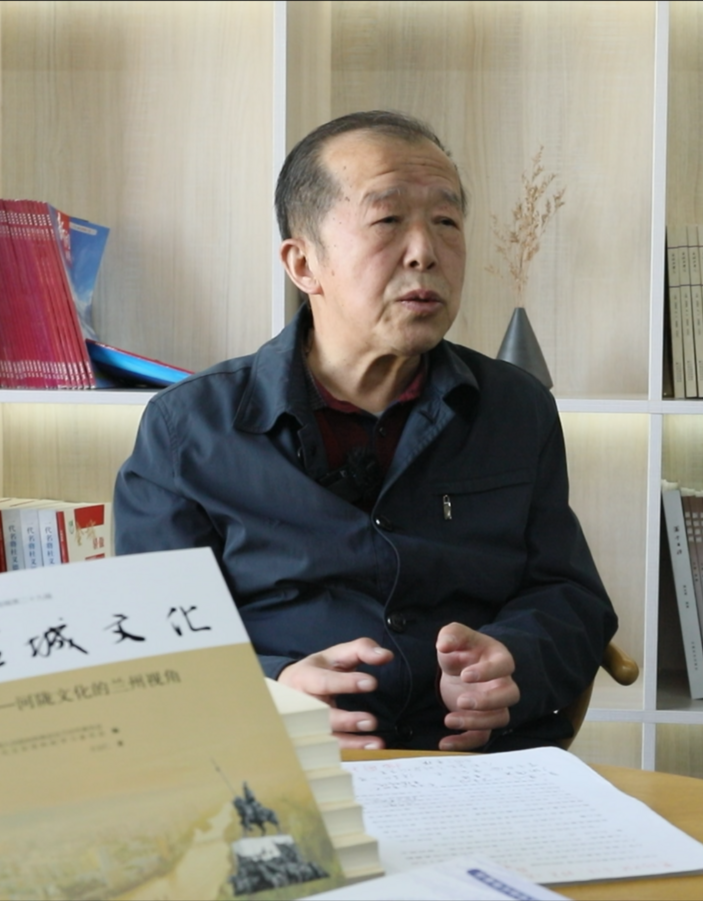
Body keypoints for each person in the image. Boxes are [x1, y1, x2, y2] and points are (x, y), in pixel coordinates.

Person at [113, 110, 616, 753]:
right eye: (387, 220)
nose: (425, 252)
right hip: (282, 765)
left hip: (477, 767)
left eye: (446, 221)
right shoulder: (190, 428)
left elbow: (570, 596)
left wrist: (514, 658)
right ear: (303, 264)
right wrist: (272, 691)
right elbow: (152, 641)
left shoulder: (516, 409)